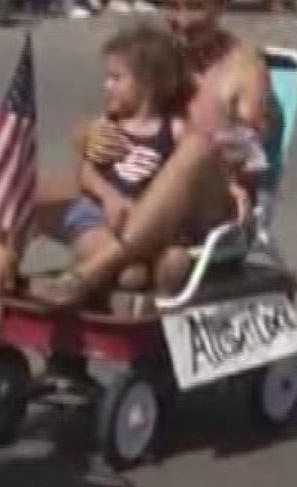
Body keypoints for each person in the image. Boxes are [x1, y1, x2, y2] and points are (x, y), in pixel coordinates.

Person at [0, 0, 274, 364]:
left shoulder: (243, 70)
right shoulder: (162, 56)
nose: (181, 21)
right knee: (24, 187)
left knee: (197, 148)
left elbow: (253, 161)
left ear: (220, 4)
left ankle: (92, 272)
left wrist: (218, 128)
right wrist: (91, 134)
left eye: (194, 7)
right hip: (133, 197)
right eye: (172, 7)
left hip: (210, 207)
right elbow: (114, 125)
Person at [62, 23, 211, 298]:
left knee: (175, 261)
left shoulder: (174, 130)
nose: (106, 85)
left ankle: (158, 313)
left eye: (116, 78)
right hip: (101, 217)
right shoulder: (110, 125)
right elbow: (86, 172)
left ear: (147, 84)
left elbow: (183, 179)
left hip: (150, 225)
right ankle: (120, 277)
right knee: (130, 274)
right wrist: (109, 198)